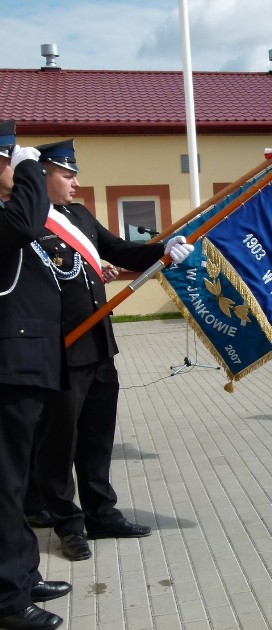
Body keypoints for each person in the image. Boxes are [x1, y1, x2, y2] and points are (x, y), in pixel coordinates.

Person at [28, 139, 194, 562]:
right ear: (43, 173)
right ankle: (67, 523)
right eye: (68, 175)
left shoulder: (79, 216)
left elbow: (119, 250)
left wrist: (164, 250)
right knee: (59, 444)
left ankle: (101, 514)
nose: (76, 183)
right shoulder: (26, 221)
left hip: (99, 344)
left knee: (98, 438)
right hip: (61, 349)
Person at [0, 121, 71, 630]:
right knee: (4, 486)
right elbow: (26, 223)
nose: (16, 166)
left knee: (16, 483)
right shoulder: (11, 217)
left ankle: (21, 575)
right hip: (7, 369)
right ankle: (8, 595)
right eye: (8, 158)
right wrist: (29, 168)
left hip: (26, 366)